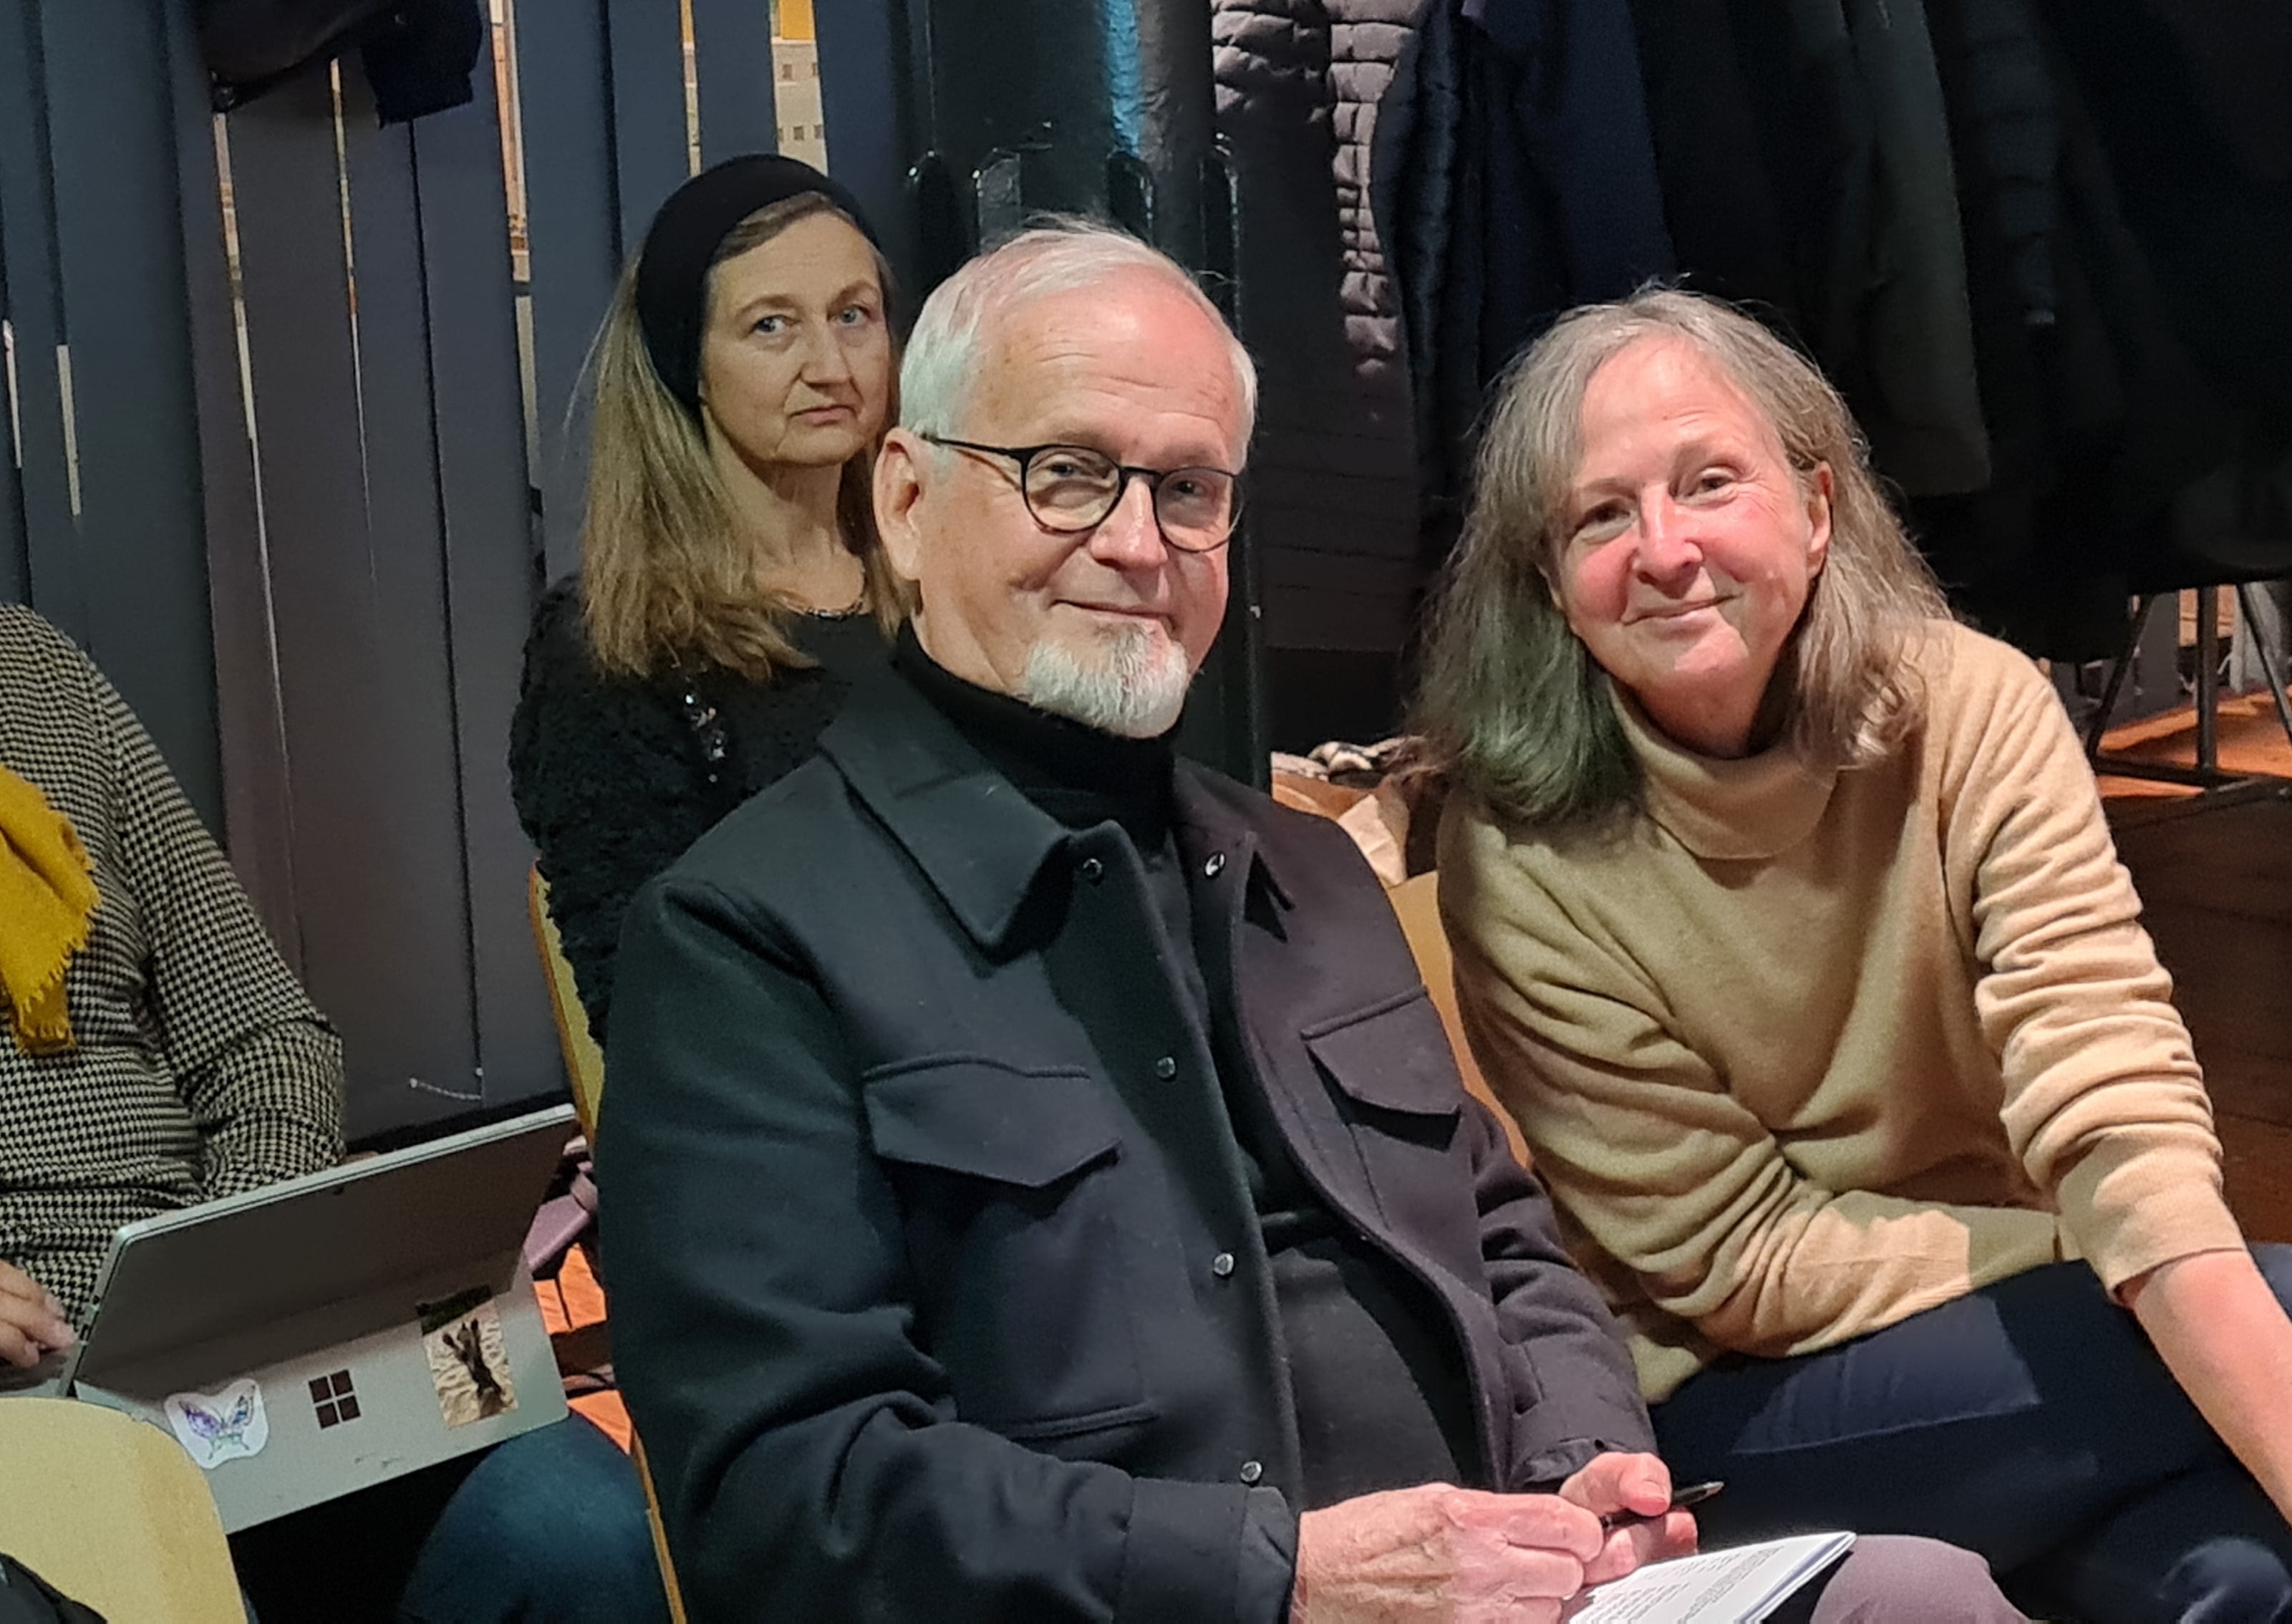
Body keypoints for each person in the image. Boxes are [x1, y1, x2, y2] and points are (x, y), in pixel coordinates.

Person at [599, 221, 2018, 1622]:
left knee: (1920, 1596)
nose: (1137, 543)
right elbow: (787, 1501)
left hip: (1503, 1587)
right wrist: (1282, 1577)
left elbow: (1506, 1239)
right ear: (907, 503)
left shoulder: (1306, 870)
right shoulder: (745, 942)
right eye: (1067, 474)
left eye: (1189, 489)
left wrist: (1584, 1463)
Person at [1416, 289, 2292, 1623]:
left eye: (1710, 482)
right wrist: (2095, 1257)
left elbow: (2112, 1091)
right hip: (1727, 1407)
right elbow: (1740, 1261)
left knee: (2243, 1576)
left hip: (2005, 1342)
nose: (1665, 549)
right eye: (1601, 516)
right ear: (1549, 581)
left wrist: (2140, 1260)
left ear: (1816, 510)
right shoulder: (1522, 847)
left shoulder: (1965, 708)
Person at [0, 602, 662, 1621]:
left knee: (579, 1532)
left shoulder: (33, 669)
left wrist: (233, 1257)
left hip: (197, 1323)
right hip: (26, 1399)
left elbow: (267, 1034)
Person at [510, 153, 903, 1046]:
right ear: (687, 362)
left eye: (854, 315)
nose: (831, 365)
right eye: (772, 326)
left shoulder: (947, 589)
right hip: (788, 1088)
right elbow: (654, 1008)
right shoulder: (618, 650)